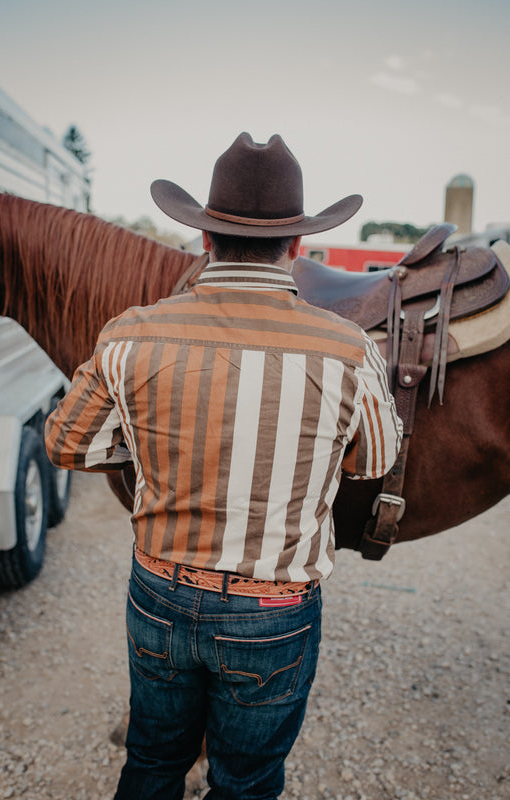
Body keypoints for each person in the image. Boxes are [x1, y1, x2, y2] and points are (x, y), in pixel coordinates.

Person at [45, 132, 403, 800]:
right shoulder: (348, 349)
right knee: (247, 779)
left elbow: (67, 444)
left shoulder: (130, 332)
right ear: (297, 245)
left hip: (160, 590)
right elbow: (375, 460)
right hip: (273, 609)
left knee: (151, 761)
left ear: (204, 240)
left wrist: (151, 447)